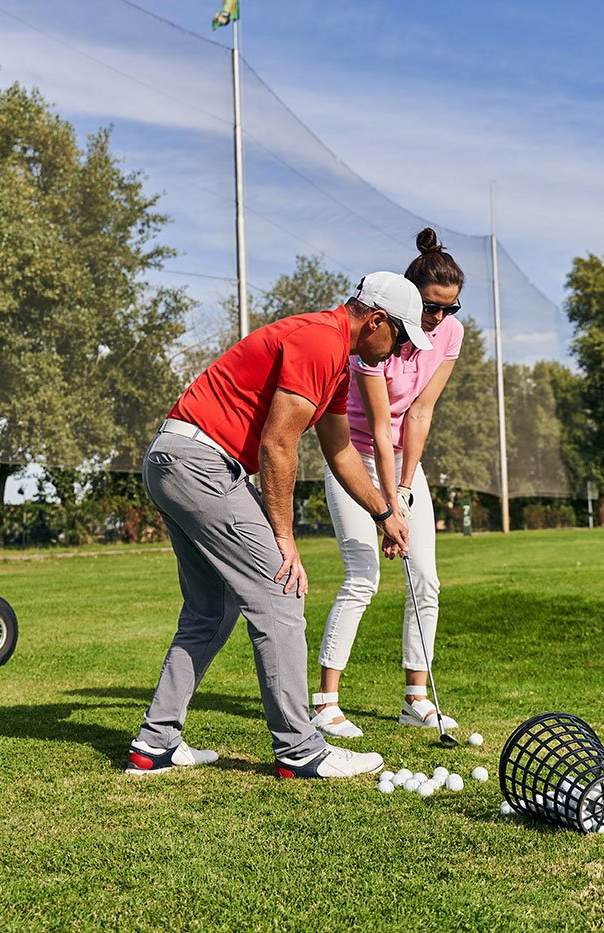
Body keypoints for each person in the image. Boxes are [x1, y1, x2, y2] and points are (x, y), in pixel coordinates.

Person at [127, 271, 432, 779]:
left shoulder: (337, 361)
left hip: (176, 460)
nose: (399, 352)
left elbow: (339, 450)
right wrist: (283, 538)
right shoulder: (319, 341)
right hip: (200, 462)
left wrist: (384, 512)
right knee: (282, 590)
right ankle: (299, 749)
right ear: (376, 320)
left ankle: (153, 745)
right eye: (400, 337)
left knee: (211, 610)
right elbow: (278, 444)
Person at [312, 229, 465, 738]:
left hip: (404, 461)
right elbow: (378, 427)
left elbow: (419, 414)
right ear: (408, 295)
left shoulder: (449, 335)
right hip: (352, 456)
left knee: (426, 577)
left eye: (450, 308)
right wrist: (386, 510)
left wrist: (402, 491)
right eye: (430, 306)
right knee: (364, 573)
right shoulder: (374, 337)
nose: (439, 317)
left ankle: (415, 698)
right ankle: (326, 703)